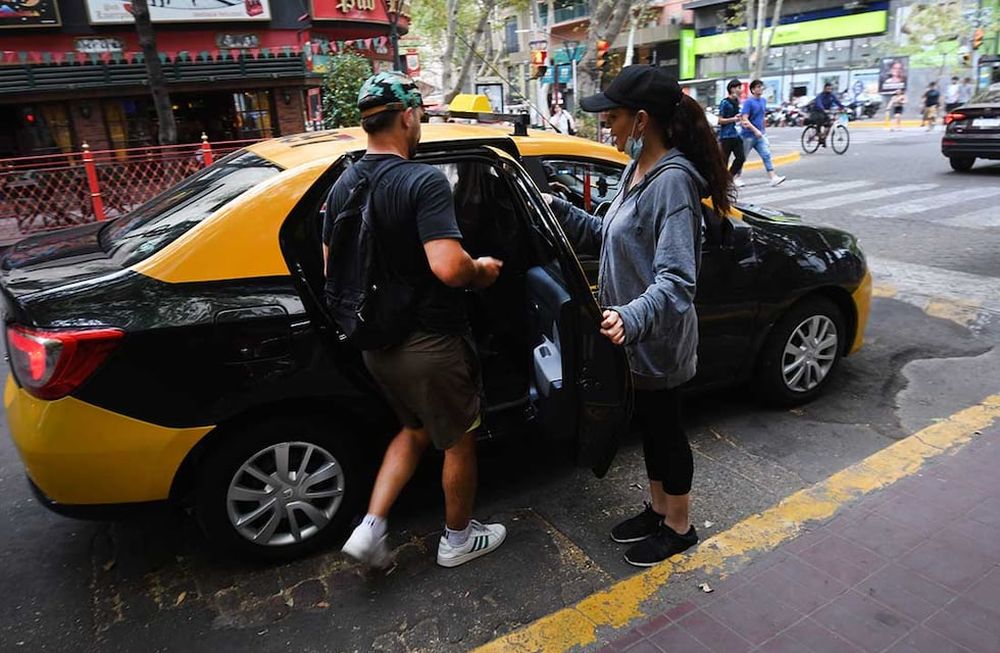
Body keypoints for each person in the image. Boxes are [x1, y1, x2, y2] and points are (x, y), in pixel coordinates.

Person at [542, 65, 735, 566]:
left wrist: (630, 316)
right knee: (650, 427)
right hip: (633, 338)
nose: (607, 125)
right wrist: (555, 208)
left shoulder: (673, 184)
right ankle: (657, 510)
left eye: (613, 117)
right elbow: (606, 235)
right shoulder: (634, 172)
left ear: (642, 120)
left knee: (666, 430)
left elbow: (678, 281)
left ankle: (680, 526)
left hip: (658, 339)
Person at [329, 72, 507, 570]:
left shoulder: (342, 183)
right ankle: (458, 539)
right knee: (459, 439)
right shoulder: (422, 180)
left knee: (414, 430)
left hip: (376, 346)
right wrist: (482, 270)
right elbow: (448, 267)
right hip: (430, 344)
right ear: (407, 117)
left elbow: (332, 266)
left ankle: (369, 529)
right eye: (421, 116)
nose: (421, 124)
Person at [740, 79, 786, 186]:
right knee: (742, 158)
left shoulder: (763, 101)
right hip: (748, 135)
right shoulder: (748, 102)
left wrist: (763, 131)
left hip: (760, 135)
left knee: (766, 155)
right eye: (758, 87)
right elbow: (744, 119)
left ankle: (773, 177)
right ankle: (736, 177)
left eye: (761, 87)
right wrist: (755, 130)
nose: (761, 89)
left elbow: (761, 117)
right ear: (753, 90)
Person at [717, 79, 746, 187]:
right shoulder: (725, 102)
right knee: (724, 161)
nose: (740, 90)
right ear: (732, 89)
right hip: (726, 136)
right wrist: (733, 119)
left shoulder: (737, 102)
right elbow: (720, 120)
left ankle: (728, 178)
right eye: (739, 88)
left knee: (741, 157)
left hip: (736, 135)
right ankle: (721, 183)